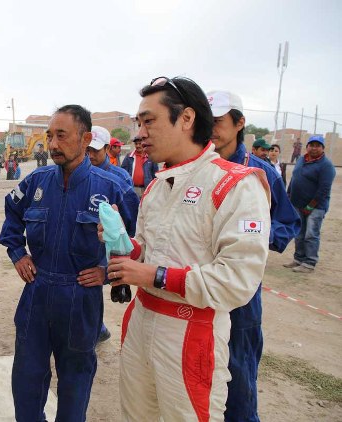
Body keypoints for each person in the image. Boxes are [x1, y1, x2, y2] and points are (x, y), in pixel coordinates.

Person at [107, 77, 271, 421]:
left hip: (190, 332)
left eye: (148, 120)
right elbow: (150, 248)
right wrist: (125, 247)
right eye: (138, 123)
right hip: (141, 323)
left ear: (186, 119)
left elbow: (237, 280)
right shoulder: (157, 184)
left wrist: (153, 275)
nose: (139, 133)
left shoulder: (235, 184)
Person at [0, 105, 138, 421]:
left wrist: (107, 273)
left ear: (85, 138)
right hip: (37, 293)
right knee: (27, 377)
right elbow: (11, 214)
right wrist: (17, 253)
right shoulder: (37, 180)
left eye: (61, 136)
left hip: (79, 297)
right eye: (49, 136)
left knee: (75, 380)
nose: (52, 144)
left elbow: (134, 244)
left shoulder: (112, 188)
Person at [207, 89, 301, 422]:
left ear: (239, 123)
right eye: (207, 121)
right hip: (199, 285)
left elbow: (288, 222)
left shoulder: (260, 172)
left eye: (218, 121)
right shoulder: (200, 167)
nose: (211, 128)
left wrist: (256, 240)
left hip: (241, 296)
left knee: (238, 375)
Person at [87, 126, 140, 343]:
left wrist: (122, 252)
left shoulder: (119, 178)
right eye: (86, 150)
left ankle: (96, 330)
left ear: (108, 149)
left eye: (95, 151)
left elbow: (130, 219)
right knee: (89, 288)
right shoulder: (81, 173)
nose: (90, 155)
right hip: (87, 241)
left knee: (94, 283)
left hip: (108, 245)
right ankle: (97, 329)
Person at [285, 135, 336, 273]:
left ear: (322, 148)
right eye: (311, 145)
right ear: (307, 146)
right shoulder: (302, 159)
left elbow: (324, 189)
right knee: (299, 233)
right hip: (298, 204)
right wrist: (289, 195)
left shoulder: (326, 165)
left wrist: (310, 206)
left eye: (317, 145)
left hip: (315, 207)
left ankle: (309, 262)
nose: (314, 148)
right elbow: (295, 178)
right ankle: (299, 259)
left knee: (311, 234)